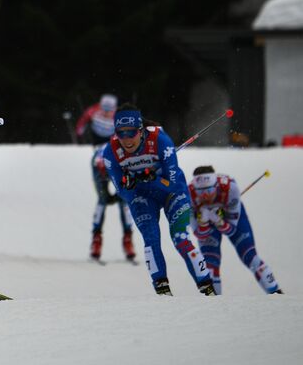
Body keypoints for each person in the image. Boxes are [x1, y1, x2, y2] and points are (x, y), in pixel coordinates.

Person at [102, 103, 215, 296]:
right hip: (142, 196)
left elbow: (171, 183)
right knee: (151, 238)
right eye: (121, 133)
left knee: (180, 238)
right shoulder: (110, 152)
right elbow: (122, 192)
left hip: (172, 192)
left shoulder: (161, 141)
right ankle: (162, 290)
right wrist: (129, 185)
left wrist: (152, 178)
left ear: (141, 130)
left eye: (131, 133)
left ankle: (207, 287)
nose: (126, 140)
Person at [189, 166, 282, 294]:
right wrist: (204, 222)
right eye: (200, 192)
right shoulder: (189, 194)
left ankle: (276, 292)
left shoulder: (230, 188)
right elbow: (198, 234)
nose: (205, 196)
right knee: (210, 264)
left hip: (230, 217)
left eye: (209, 190)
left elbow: (231, 230)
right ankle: (213, 304)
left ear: (216, 186)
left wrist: (219, 221)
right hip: (209, 221)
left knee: (250, 256)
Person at [77, 94, 135, 261]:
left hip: (118, 159)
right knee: (102, 199)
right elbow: (81, 124)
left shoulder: (119, 118)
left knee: (124, 199)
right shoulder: (93, 110)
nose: (107, 113)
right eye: (105, 110)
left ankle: (128, 239)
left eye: (110, 110)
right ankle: (96, 240)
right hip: (99, 159)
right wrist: (80, 133)